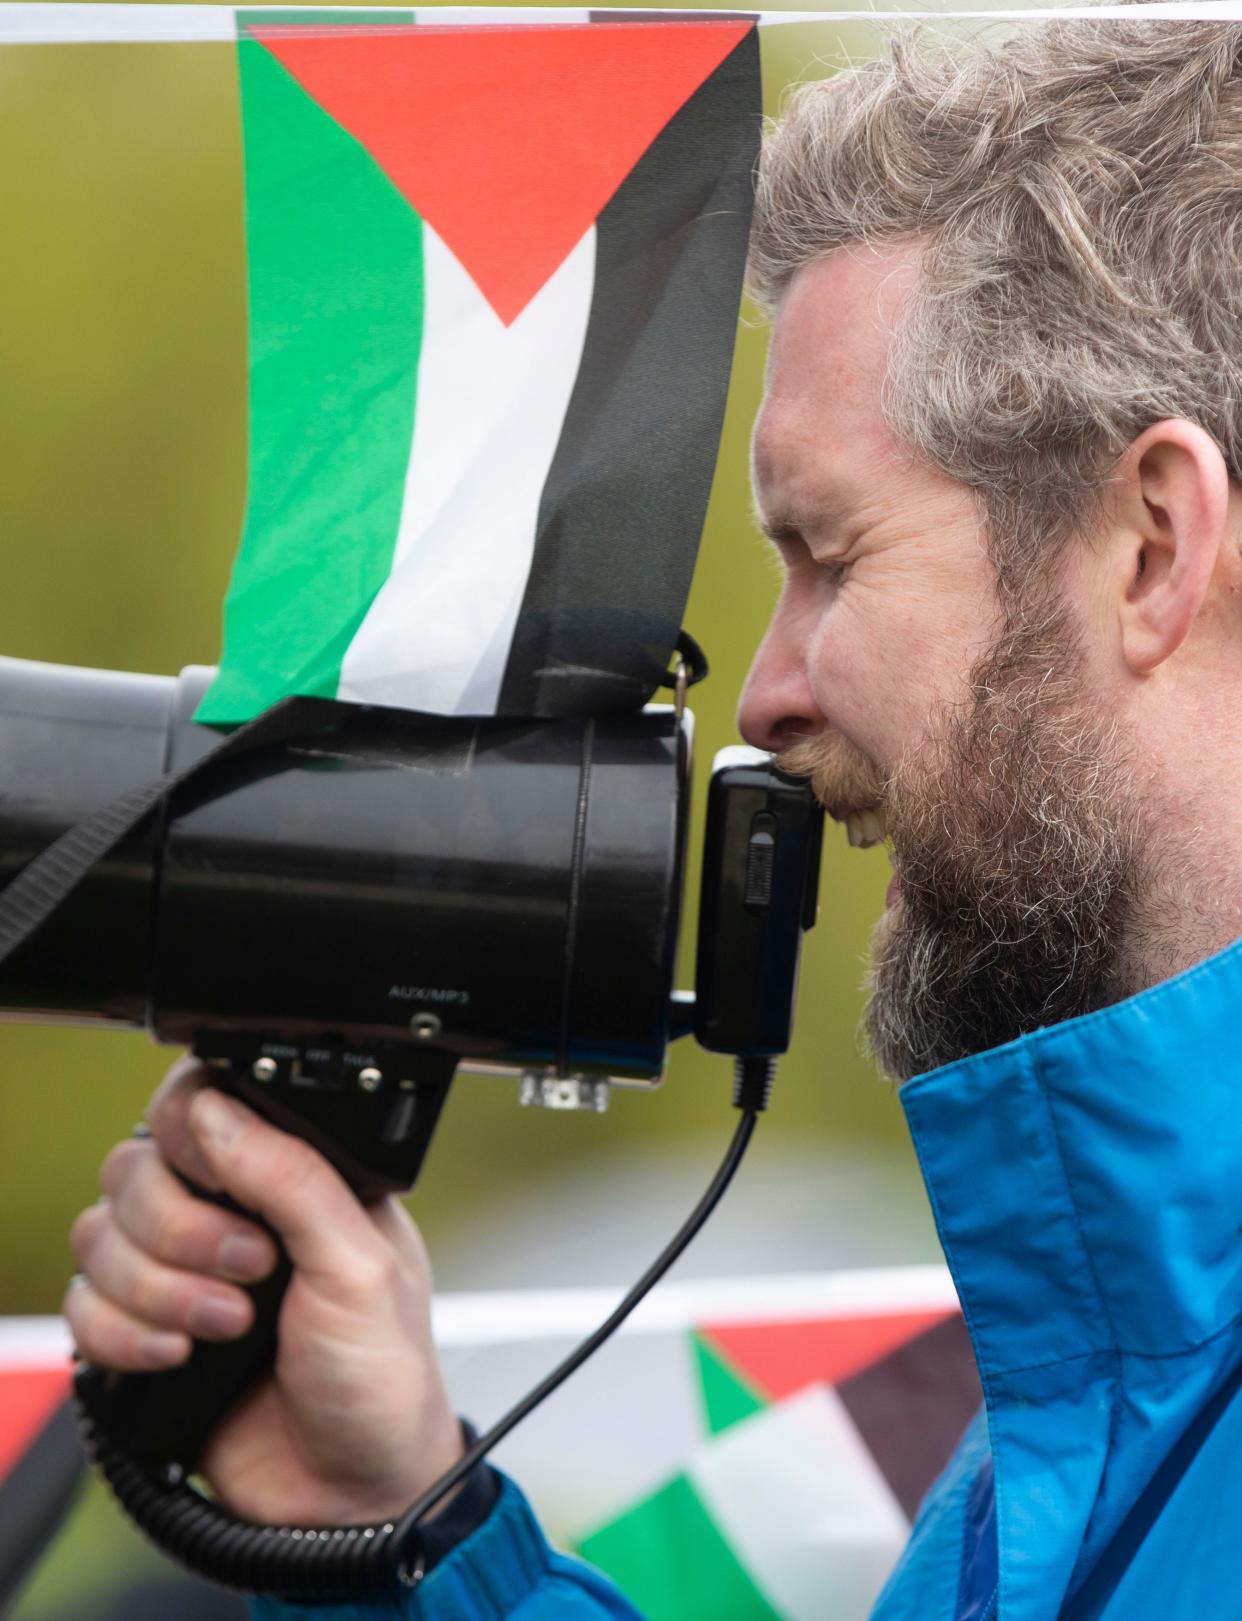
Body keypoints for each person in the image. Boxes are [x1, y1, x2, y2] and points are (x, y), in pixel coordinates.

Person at [64, 15, 1242, 1620]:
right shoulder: (1114, 1363)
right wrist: (388, 1521)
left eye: (829, 554)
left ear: (1150, 548)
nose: (763, 694)